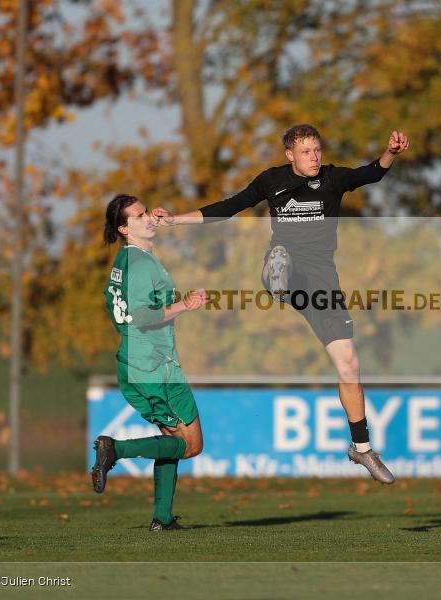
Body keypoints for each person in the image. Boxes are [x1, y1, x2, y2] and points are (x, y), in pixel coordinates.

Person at [152, 124, 409, 484]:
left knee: (349, 364)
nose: (315, 157)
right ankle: (277, 276)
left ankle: (361, 448)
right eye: (306, 152)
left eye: (317, 150)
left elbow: (373, 173)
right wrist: (176, 219)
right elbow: (230, 206)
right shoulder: (272, 180)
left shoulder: (333, 178)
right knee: (282, 257)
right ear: (290, 155)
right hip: (288, 268)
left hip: (322, 282)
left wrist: (391, 153)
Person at [92, 194, 208, 531]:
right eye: (139, 216)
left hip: (134, 361)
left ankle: (163, 519)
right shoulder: (141, 264)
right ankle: (115, 449)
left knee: (172, 439)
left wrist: (164, 218)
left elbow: (120, 309)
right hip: (156, 365)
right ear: (124, 229)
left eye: (146, 212)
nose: (147, 218)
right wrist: (186, 305)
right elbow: (142, 315)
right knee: (191, 445)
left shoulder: (126, 261)